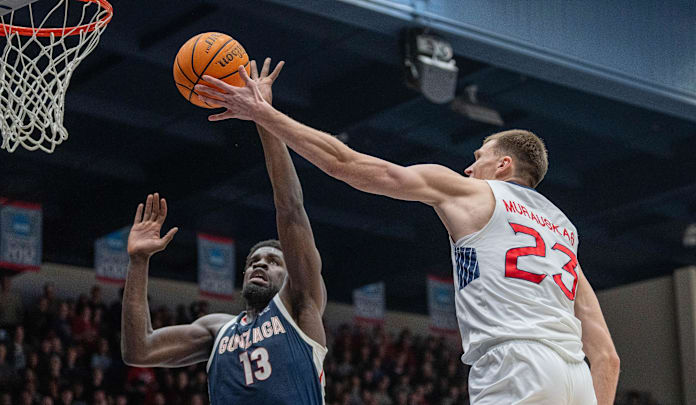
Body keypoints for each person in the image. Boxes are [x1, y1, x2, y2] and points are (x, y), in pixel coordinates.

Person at [196, 66, 620, 404]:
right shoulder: (563, 234)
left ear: (504, 165)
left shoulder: (470, 189)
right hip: (575, 377)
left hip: (515, 367)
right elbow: (606, 355)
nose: (470, 167)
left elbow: (348, 165)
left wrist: (264, 115)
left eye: (478, 158)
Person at [121, 59, 327, 404]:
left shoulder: (300, 304)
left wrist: (263, 116)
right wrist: (139, 262)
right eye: (254, 260)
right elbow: (138, 349)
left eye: (274, 261)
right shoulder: (217, 328)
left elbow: (290, 208)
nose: (260, 264)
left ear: (291, 271)